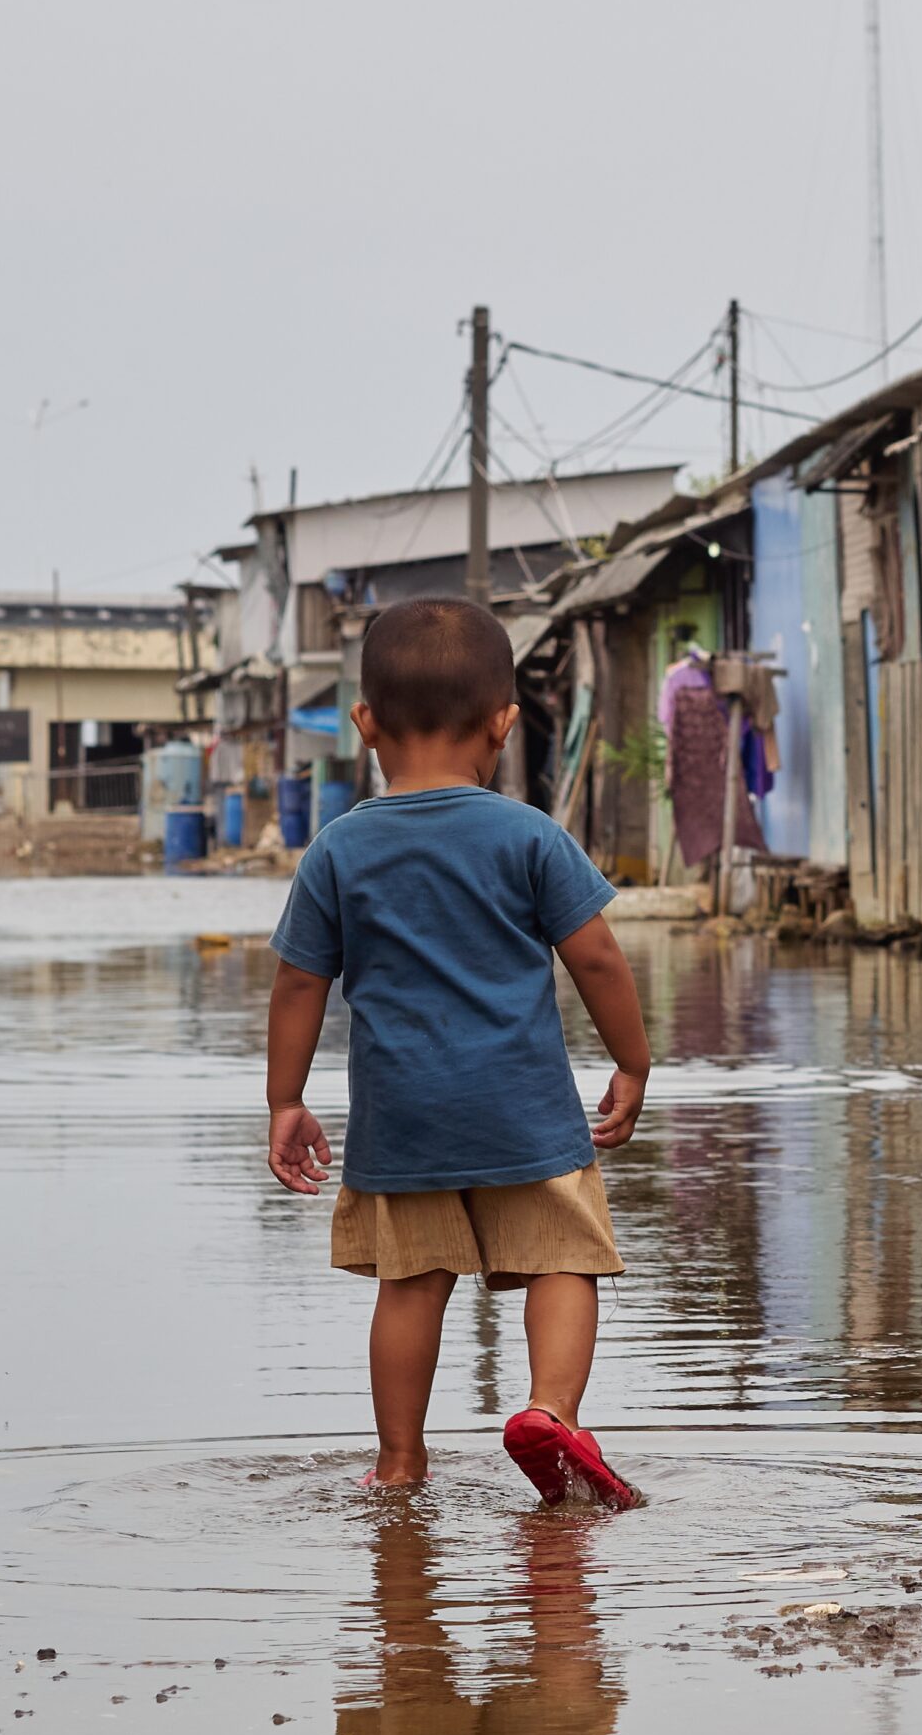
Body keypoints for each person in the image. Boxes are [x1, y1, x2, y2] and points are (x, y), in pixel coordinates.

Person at [266, 597, 652, 1509]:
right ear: (503, 723)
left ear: (363, 724)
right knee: (565, 1259)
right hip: (526, 1110)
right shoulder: (526, 836)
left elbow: (297, 986)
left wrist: (286, 1100)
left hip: (404, 1121)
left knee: (409, 1285)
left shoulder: (336, 850)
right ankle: (550, 1411)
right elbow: (594, 954)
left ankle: (400, 1461)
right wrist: (633, 1064)